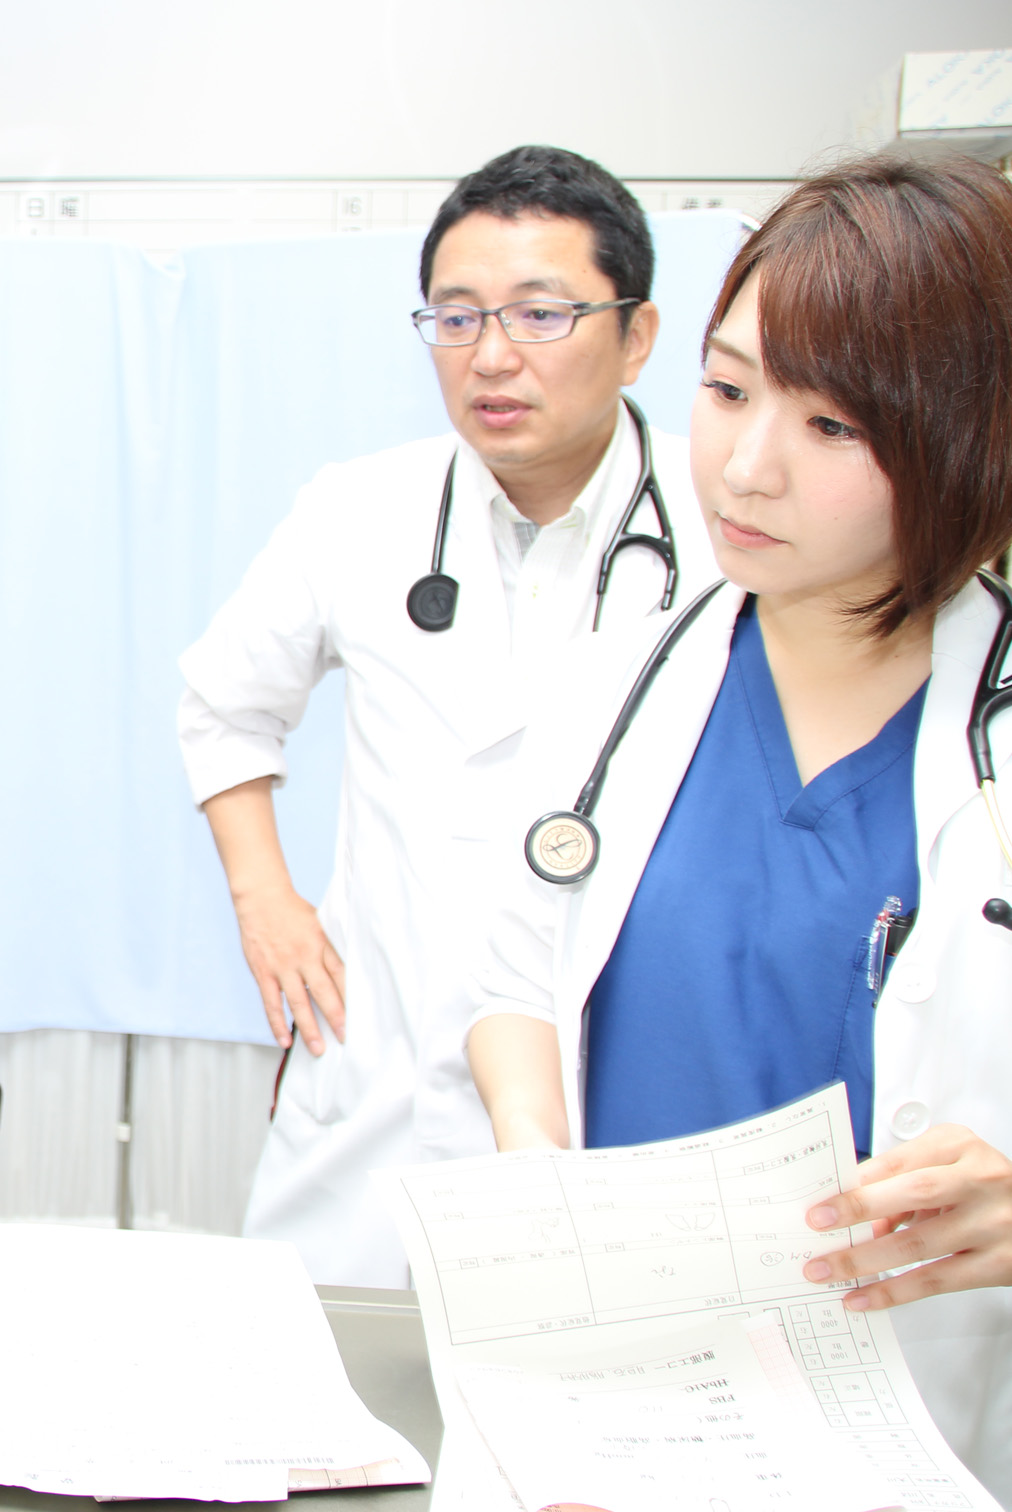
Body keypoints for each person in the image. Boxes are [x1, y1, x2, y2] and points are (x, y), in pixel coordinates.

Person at [466, 152, 1012, 1497]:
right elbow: (513, 976)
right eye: (726, 391)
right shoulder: (618, 682)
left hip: (912, 1424)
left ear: (969, 436)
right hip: (618, 1406)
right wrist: (536, 1159)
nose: (747, 468)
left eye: (833, 426)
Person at [178, 145, 718, 1286]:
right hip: (374, 1078)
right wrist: (265, 901)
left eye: (541, 313)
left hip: (613, 1083)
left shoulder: (727, 529)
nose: (492, 355)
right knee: (319, 1366)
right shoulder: (359, 510)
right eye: (458, 317)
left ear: (638, 335)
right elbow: (224, 707)